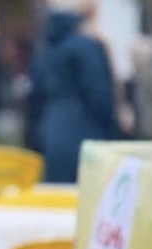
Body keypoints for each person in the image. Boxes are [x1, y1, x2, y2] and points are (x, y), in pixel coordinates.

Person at [25, 0, 120, 183]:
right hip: (86, 135)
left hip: (51, 132)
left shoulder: (47, 46)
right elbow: (99, 97)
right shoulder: (87, 46)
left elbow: (35, 95)